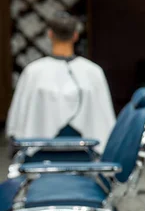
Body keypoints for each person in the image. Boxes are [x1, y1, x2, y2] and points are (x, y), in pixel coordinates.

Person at [6, 11, 115, 154]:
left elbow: (17, 121)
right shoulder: (93, 72)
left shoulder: (33, 72)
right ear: (75, 36)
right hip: (86, 151)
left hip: (39, 152)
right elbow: (105, 120)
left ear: (50, 34)